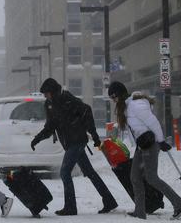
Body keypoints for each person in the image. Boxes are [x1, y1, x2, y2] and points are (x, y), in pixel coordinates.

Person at [31, 78, 117, 216]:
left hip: (77, 140)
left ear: (53, 91)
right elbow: (50, 126)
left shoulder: (68, 100)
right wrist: (37, 138)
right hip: (69, 142)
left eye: (47, 93)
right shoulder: (49, 105)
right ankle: (109, 200)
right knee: (89, 172)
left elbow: (86, 111)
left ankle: (70, 207)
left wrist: (94, 135)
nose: (45, 96)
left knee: (65, 172)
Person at [108, 81, 181, 220]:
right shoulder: (126, 106)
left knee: (151, 177)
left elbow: (153, 122)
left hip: (150, 144)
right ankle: (140, 211)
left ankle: (179, 204)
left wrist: (161, 141)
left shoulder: (135, 105)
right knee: (135, 177)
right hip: (142, 145)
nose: (113, 100)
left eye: (114, 97)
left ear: (120, 94)